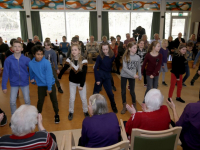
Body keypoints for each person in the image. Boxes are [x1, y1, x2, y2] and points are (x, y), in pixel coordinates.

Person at [29, 45, 60, 123]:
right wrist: (32, 80)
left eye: (41, 54)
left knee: (54, 100)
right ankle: (38, 116)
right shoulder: (31, 64)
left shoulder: (46, 62)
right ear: (34, 54)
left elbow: (49, 76)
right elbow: (32, 74)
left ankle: (56, 114)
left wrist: (49, 87)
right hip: (41, 85)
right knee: (40, 101)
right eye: (38, 54)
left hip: (50, 83)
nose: (40, 56)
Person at [58, 44, 89, 120]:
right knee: (72, 98)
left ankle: (85, 111)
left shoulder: (84, 60)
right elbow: (64, 68)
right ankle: (71, 111)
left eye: (75, 50)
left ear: (79, 51)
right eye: (72, 50)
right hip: (72, 82)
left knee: (84, 98)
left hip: (81, 83)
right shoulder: (69, 60)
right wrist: (59, 76)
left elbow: (84, 74)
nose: (73, 51)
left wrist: (81, 85)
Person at [2, 40, 31, 116]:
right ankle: (14, 116)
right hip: (14, 83)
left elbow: (32, 70)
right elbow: (5, 73)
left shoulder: (27, 59)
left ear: (22, 48)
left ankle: (28, 115)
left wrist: (33, 78)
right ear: (12, 48)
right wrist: (4, 86)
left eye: (19, 46)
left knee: (27, 100)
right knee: (12, 101)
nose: (17, 48)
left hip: (25, 83)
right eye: (15, 46)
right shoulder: (8, 60)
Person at [93, 43, 118, 113]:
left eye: (106, 49)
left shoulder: (112, 56)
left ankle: (113, 106)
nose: (105, 51)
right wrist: (97, 79)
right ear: (101, 49)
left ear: (109, 49)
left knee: (110, 93)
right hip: (100, 75)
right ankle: (93, 107)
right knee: (95, 93)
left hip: (107, 76)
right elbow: (95, 68)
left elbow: (110, 64)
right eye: (103, 49)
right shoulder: (99, 56)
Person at [120, 42, 142, 114]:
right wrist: (133, 75)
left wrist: (140, 75)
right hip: (124, 75)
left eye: (136, 48)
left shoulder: (137, 57)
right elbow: (125, 68)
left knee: (132, 91)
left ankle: (134, 105)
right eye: (134, 48)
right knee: (123, 91)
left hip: (132, 76)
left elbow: (139, 66)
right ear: (129, 48)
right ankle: (124, 105)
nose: (136, 49)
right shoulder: (125, 57)